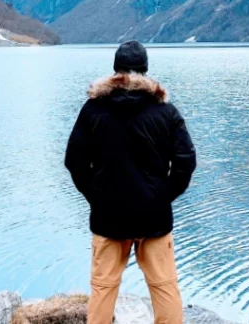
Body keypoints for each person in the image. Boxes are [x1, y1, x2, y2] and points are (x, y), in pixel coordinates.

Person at [65, 40, 197, 324]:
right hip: (154, 217)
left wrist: (98, 197)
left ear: (115, 71)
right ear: (145, 71)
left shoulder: (93, 110)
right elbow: (186, 161)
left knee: (103, 288)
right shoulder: (166, 111)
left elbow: (74, 161)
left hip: (108, 217)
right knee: (164, 287)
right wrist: (161, 196)